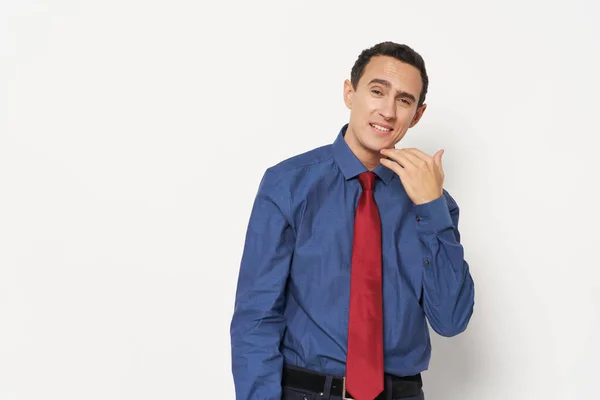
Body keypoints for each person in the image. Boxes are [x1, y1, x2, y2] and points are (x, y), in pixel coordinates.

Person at [230, 41, 475, 400]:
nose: (388, 111)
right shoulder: (289, 185)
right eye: (378, 91)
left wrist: (431, 207)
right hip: (306, 391)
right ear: (350, 93)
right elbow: (256, 317)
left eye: (404, 101)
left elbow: (451, 321)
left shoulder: (433, 204)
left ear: (417, 115)